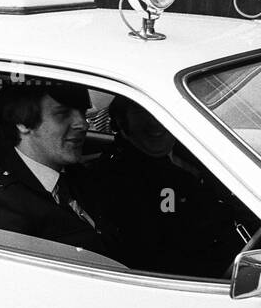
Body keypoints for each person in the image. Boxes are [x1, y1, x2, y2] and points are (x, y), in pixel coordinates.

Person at [0, 78, 115, 257]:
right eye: (63, 113)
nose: (83, 123)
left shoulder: (73, 175)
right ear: (23, 122)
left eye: (81, 112)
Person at [89, 97, 241, 277]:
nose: (155, 122)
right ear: (122, 122)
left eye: (160, 110)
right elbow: (164, 253)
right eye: (142, 111)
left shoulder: (193, 152)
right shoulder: (121, 179)